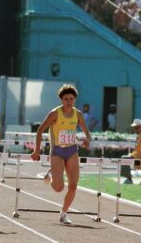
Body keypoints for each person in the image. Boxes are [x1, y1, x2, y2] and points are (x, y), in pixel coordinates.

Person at [31, 84, 91, 225]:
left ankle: (63, 213)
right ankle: (52, 175)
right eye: (65, 99)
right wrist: (37, 150)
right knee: (59, 188)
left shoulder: (78, 114)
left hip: (72, 151)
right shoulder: (55, 113)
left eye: (71, 98)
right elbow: (40, 130)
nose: (68, 101)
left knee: (73, 185)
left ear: (75, 99)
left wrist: (87, 139)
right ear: (61, 99)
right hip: (57, 151)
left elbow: (86, 131)